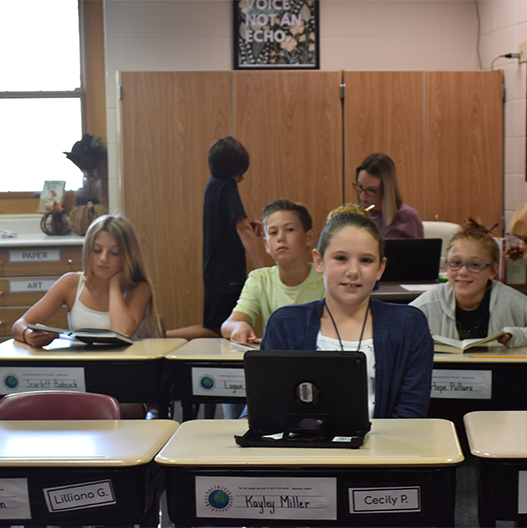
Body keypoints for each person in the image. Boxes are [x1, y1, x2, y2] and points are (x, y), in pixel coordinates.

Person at [260, 211, 434, 419]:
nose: (353, 271)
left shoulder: (409, 325)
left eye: (366, 260)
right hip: (306, 449)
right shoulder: (285, 325)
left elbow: (410, 417)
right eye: (341, 258)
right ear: (319, 262)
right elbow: (272, 409)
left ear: (381, 268)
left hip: (386, 449)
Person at [11, 214, 156, 418]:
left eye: (114, 253)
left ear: (127, 256)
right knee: (48, 410)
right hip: (78, 377)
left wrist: (114, 286)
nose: (103, 258)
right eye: (97, 251)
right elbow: (19, 324)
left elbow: (122, 331)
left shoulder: (138, 289)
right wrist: (27, 335)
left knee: (115, 411)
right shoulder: (71, 283)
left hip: (123, 380)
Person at [410, 219, 527, 347]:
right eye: (455, 263)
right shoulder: (430, 301)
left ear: (493, 271)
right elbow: (391, 332)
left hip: (501, 381)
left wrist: (520, 336)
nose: (462, 272)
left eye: (474, 265)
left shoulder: (507, 298)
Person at [167, 136, 264, 340]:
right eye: (241, 172)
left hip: (216, 273)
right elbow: (242, 229)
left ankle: (163, 334)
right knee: (218, 329)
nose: (242, 177)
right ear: (233, 169)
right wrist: (260, 269)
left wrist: (247, 227)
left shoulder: (214, 185)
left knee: (217, 326)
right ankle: (162, 336)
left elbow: (235, 226)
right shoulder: (227, 186)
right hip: (226, 275)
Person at [221, 199, 325, 344]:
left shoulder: (326, 277)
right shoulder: (260, 279)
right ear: (266, 244)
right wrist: (238, 326)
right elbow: (227, 325)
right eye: (273, 232)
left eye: (289, 230)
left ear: (309, 237)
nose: (281, 238)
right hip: (276, 363)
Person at [354, 153, 423, 239]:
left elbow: (419, 252)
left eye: (371, 190)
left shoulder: (408, 217)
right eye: (360, 186)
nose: (363, 195)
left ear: (386, 189)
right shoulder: (354, 215)